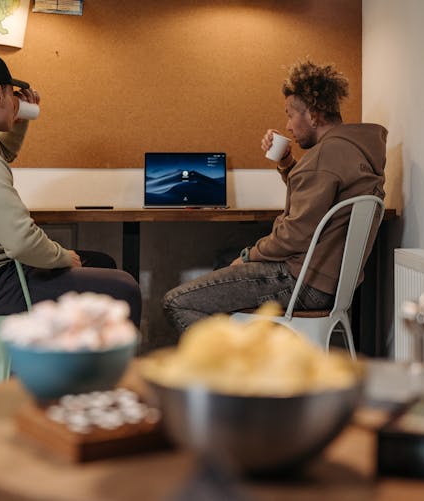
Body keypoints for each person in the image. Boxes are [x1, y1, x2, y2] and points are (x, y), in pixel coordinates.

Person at [162, 59, 386, 334]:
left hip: (302, 282)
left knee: (177, 301)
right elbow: (315, 198)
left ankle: (232, 371)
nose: (288, 126)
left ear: (313, 115)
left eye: (291, 114)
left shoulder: (325, 156)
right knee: (224, 262)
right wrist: (287, 162)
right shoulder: (353, 151)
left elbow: (294, 234)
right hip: (330, 282)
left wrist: (247, 257)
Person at [0, 53, 142, 325]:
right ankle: (106, 366)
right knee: (124, 287)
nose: (16, 102)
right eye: (13, 94)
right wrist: (62, 257)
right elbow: (22, 242)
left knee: (100, 261)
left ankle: (73, 361)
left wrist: (16, 123)